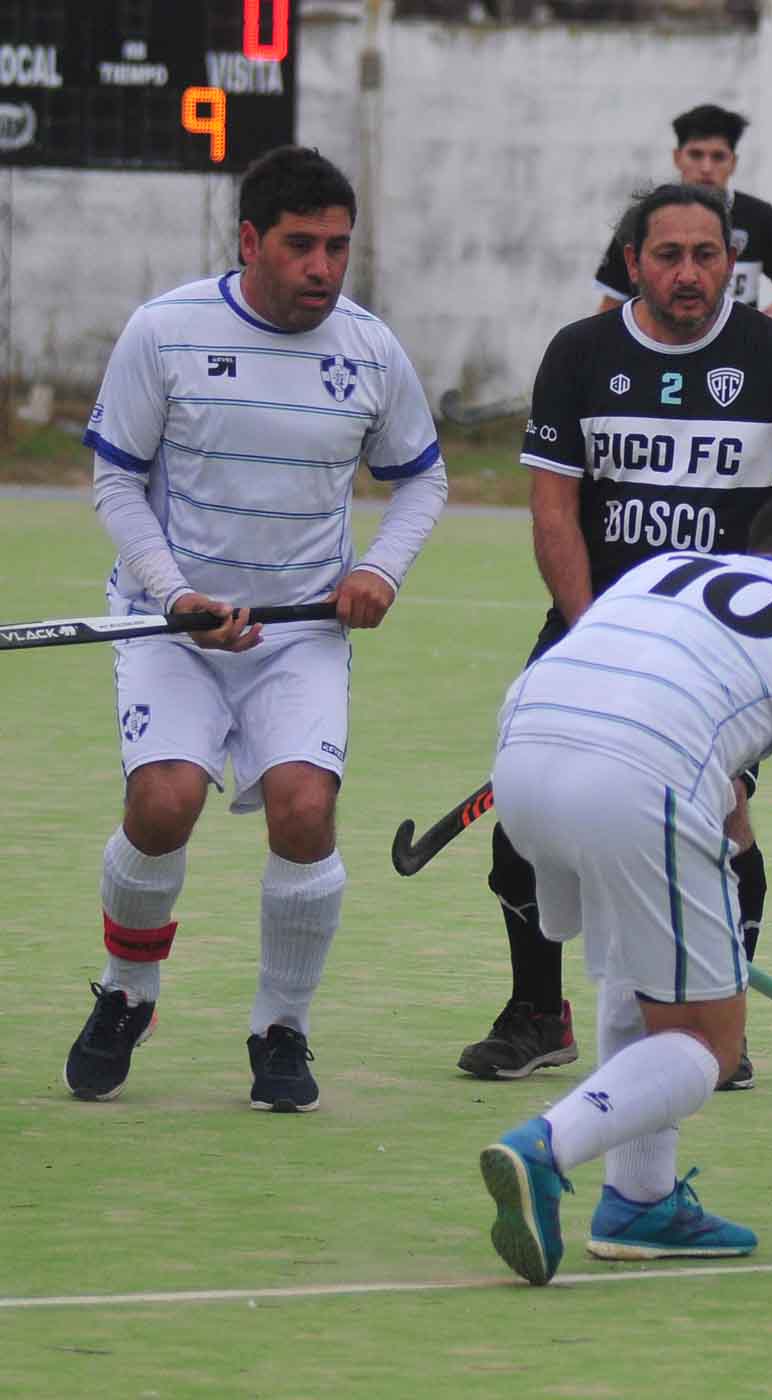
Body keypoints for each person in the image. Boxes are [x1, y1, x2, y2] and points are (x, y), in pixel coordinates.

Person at [457, 181, 772, 1089]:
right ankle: (538, 1014)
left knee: (718, 826)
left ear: (731, 268)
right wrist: (596, 636)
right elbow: (555, 509)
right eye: (668, 256)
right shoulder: (580, 354)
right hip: (597, 623)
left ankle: (720, 1028)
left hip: (716, 655)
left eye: (709, 257)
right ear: (633, 264)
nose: (690, 274)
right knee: (525, 830)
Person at [65, 145, 449, 1112]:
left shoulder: (371, 350)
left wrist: (377, 570)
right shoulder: (165, 331)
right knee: (163, 804)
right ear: (250, 241)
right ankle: (128, 993)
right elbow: (116, 478)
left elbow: (421, 481)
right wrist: (174, 596)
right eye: (301, 245)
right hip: (172, 622)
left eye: (339, 247)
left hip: (300, 629)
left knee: (304, 811)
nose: (324, 267)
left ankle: (282, 1029)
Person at [478, 484, 772, 1283]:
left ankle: (640, 1202)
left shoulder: (664, 567)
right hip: (636, 783)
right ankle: (545, 1148)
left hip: (521, 760)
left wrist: (725, 805)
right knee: (708, 1039)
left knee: (642, 955)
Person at [591, 103, 772, 324]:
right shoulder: (643, 218)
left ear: (733, 163)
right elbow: (610, 306)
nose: (707, 167)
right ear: (677, 157)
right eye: (696, 155)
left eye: (718, 157)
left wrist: (761, 324)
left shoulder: (759, 217)